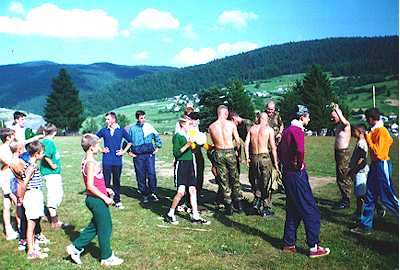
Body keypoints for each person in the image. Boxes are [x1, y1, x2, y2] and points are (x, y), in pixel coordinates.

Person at [279, 105, 330, 258]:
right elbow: (300, 150)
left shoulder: (286, 130)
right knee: (310, 209)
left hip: (287, 173)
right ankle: (314, 247)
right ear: (302, 117)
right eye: (308, 116)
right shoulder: (297, 130)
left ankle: (289, 243)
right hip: (296, 174)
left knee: (293, 208)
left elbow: (279, 150)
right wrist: (299, 163)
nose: (309, 119)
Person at [66, 134, 123, 266]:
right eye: (97, 145)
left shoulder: (85, 160)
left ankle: (75, 248)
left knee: (95, 226)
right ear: (91, 147)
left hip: (95, 198)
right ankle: (106, 257)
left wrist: (106, 189)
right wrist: (104, 197)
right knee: (106, 228)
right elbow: (90, 186)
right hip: (97, 200)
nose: (100, 147)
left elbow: (96, 181)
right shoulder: (91, 163)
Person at [351, 108, 398, 235]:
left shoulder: (381, 132)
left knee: (388, 196)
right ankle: (365, 226)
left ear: (371, 119)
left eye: (367, 119)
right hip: (375, 166)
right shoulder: (376, 131)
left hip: (382, 165)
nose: (367, 121)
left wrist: (368, 138)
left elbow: (378, 153)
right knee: (369, 196)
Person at [164, 117, 210, 225]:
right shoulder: (178, 136)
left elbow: (199, 143)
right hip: (182, 165)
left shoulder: (189, 135)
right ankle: (170, 213)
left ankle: (195, 215)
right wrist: (188, 145)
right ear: (182, 125)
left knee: (192, 190)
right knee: (181, 192)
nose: (191, 126)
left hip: (190, 164)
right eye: (189, 124)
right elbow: (176, 153)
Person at [209, 105, 243, 215]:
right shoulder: (231, 124)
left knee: (223, 180)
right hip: (230, 151)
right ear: (226, 113)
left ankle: (228, 206)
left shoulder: (212, 127)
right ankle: (239, 204)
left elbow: (212, 145)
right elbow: (238, 141)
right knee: (235, 178)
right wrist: (238, 153)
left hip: (219, 152)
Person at [245, 112, 279, 217]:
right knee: (266, 183)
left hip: (254, 157)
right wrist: (276, 163)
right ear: (267, 119)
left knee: (256, 181)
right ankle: (264, 207)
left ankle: (257, 202)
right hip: (265, 157)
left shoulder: (252, 129)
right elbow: (273, 147)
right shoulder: (269, 130)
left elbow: (246, 144)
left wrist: (247, 158)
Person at [96, 112, 132, 209]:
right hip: (106, 160)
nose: (106, 121)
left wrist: (123, 151)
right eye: (106, 119)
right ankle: (106, 199)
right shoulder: (104, 130)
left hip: (117, 160)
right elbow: (94, 139)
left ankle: (117, 200)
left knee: (116, 181)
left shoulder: (121, 130)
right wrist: (101, 149)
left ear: (113, 120)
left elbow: (130, 141)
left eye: (108, 119)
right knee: (106, 181)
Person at [22, 141, 49, 260]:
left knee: (33, 222)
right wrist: (21, 196)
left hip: (35, 194)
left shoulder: (31, 164)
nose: (43, 155)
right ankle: (30, 251)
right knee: (31, 224)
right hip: (32, 195)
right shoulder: (31, 166)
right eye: (42, 153)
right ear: (37, 154)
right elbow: (25, 182)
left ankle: (33, 246)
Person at [128, 110, 162, 203]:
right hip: (138, 155)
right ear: (137, 118)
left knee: (151, 174)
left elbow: (156, 136)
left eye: (144, 117)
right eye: (141, 118)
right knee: (140, 175)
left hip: (149, 154)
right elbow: (127, 141)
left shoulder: (149, 127)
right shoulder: (132, 129)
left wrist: (158, 146)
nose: (143, 119)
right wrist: (128, 152)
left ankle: (153, 192)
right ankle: (144, 194)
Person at [38, 123, 65, 228]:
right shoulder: (48, 142)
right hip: (51, 174)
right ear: (54, 132)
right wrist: (52, 165)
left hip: (52, 174)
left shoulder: (46, 141)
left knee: (58, 194)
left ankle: (47, 214)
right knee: (55, 195)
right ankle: (55, 221)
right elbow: (46, 155)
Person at [228, 111, 257, 204]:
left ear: (234, 118)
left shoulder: (246, 123)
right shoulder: (238, 126)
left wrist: (247, 155)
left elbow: (251, 139)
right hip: (250, 149)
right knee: (252, 173)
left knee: (255, 172)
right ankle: (255, 189)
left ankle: (258, 195)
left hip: (256, 149)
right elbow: (235, 139)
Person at [330, 103, 352, 209]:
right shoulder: (339, 126)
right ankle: (344, 198)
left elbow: (345, 121)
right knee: (340, 176)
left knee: (343, 176)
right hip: (338, 154)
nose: (331, 118)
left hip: (343, 154)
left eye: (333, 117)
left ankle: (346, 200)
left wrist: (337, 109)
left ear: (339, 115)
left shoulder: (345, 125)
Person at [0, 128, 19, 240]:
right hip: (7, 177)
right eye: (13, 135)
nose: (14, 136)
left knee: (7, 205)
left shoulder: (10, 148)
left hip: (9, 176)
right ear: (7, 137)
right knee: (17, 202)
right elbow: (9, 164)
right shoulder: (3, 149)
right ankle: (18, 228)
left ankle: (9, 230)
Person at [348, 124, 369, 222]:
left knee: (361, 195)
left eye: (354, 131)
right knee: (359, 194)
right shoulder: (360, 142)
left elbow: (362, 159)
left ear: (360, 132)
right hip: (358, 171)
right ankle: (358, 212)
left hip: (360, 172)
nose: (352, 133)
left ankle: (376, 207)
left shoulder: (361, 143)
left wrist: (354, 170)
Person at [264, 101, 285, 193]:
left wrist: (280, 133)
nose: (270, 111)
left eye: (272, 109)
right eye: (268, 109)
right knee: (268, 166)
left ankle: (279, 185)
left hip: (277, 145)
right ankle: (269, 186)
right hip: (266, 146)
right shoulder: (261, 116)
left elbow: (282, 125)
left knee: (278, 165)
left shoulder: (277, 115)